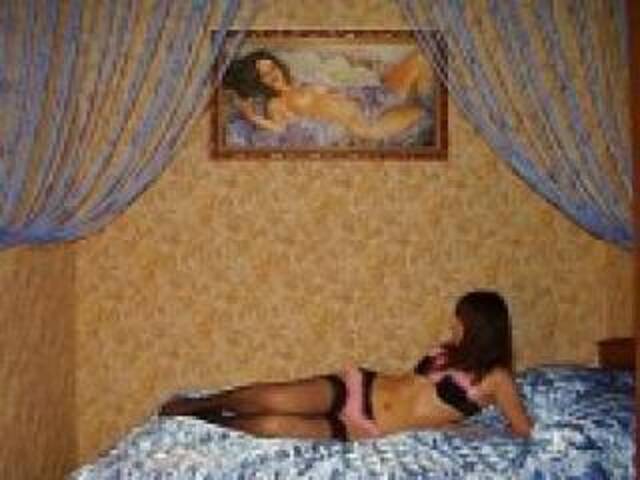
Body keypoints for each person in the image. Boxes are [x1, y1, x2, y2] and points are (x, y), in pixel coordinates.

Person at [159, 290, 534, 442]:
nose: (454, 324)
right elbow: (414, 388)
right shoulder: (449, 349)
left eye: (460, 319)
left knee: (274, 426)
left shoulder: (497, 378)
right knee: (273, 396)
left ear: (481, 325)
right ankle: (197, 404)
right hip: (363, 387)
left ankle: (209, 422)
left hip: (368, 426)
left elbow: (522, 429)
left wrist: (465, 428)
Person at [221, 48, 432, 142]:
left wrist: (339, 88)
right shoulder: (275, 103)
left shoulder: (300, 80)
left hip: (371, 97)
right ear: (259, 81)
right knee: (426, 114)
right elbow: (280, 129)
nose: (272, 74)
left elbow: (335, 85)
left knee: (421, 58)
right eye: (264, 74)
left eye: (272, 67)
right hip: (364, 122)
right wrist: (253, 117)